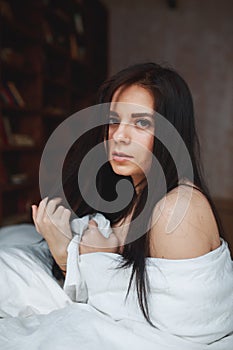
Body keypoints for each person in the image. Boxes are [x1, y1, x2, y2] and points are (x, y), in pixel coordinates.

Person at [32, 62, 224, 328]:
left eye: (141, 123)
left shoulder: (177, 209)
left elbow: (181, 330)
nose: (119, 136)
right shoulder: (136, 197)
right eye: (113, 121)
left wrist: (75, 256)